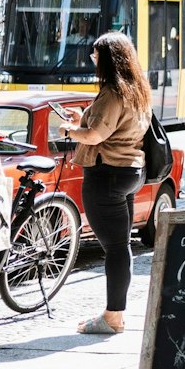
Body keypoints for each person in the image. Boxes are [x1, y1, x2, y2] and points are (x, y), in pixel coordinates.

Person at [52, 31, 152, 336]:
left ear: (108, 59)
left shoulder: (113, 91)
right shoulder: (138, 89)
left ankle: (112, 317)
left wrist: (69, 130)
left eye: (96, 55)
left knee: (116, 248)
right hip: (131, 172)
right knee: (122, 247)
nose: (93, 60)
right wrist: (83, 116)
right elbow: (114, 125)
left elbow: (96, 136)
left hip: (106, 173)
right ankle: (116, 314)